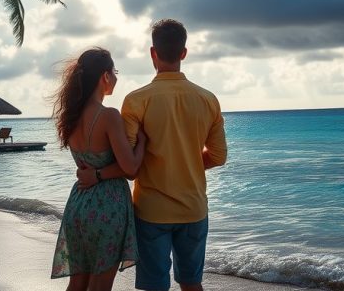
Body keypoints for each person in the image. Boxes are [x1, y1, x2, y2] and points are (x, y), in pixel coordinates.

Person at [77, 19, 227, 291]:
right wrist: (188, 164)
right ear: (183, 53)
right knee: (192, 284)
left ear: (152, 53)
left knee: (154, 286)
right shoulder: (208, 99)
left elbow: (127, 161)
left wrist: (97, 173)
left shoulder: (137, 100)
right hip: (193, 208)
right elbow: (217, 156)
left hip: (151, 211)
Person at [51, 48, 147, 291]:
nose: (116, 77)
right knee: (100, 285)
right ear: (105, 76)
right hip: (107, 206)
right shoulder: (108, 116)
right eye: (114, 72)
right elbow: (131, 168)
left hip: (78, 204)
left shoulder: (70, 117)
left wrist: (93, 174)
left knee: (78, 282)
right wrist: (143, 141)